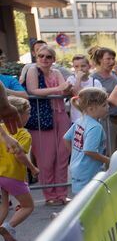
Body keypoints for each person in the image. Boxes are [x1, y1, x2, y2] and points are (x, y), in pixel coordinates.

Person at [23, 43, 73, 206]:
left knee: (63, 155)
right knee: (46, 158)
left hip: (60, 115)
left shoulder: (57, 72)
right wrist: (60, 88)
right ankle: (49, 194)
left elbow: (64, 90)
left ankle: (62, 193)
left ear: (53, 59)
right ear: (36, 57)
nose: (44, 59)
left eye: (48, 56)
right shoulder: (32, 71)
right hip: (41, 119)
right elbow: (33, 90)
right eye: (41, 56)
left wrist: (66, 88)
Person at [0, 97, 39, 241]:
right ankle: (8, 227)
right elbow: (19, 155)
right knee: (28, 205)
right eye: (28, 112)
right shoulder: (24, 134)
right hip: (13, 176)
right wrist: (33, 168)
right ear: (17, 115)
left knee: (4, 205)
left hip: (0, 174)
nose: (30, 115)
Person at [63, 87, 110, 195]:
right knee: (89, 203)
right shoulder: (95, 127)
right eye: (104, 105)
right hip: (88, 171)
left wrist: (75, 154)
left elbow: (66, 138)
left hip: (77, 168)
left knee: (80, 202)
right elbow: (89, 151)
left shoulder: (81, 120)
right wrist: (108, 160)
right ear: (91, 108)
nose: (107, 107)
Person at [90, 48, 117, 154]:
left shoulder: (114, 75)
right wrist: (112, 96)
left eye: (113, 58)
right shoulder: (94, 77)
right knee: (109, 151)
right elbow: (96, 97)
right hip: (107, 119)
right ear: (100, 60)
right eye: (108, 59)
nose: (111, 61)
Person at [66, 54, 101, 122]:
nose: (80, 69)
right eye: (76, 66)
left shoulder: (95, 82)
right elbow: (76, 93)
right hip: (76, 119)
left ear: (89, 66)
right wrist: (78, 78)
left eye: (83, 66)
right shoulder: (71, 79)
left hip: (92, 118)